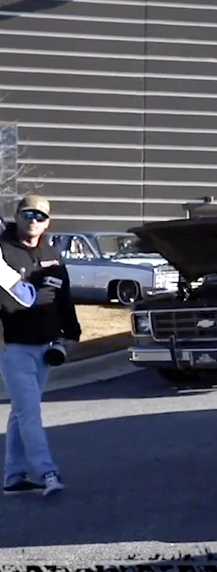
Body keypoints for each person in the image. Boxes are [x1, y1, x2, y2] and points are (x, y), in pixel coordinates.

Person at [0, 195, 80, 497]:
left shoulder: (51, 252)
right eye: (28, 214)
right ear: (17, 215)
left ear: (48, 222)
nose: (33, 220)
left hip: (45, 345)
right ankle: (48, 473)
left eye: (40, 216)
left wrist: (72, 333)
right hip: (11, 345)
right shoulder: (3, 250)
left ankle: (13, 477)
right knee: (29, 412)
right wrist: (31, 301)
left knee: (21, 412)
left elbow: (64, 296)